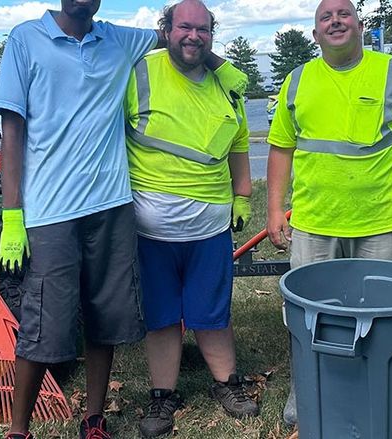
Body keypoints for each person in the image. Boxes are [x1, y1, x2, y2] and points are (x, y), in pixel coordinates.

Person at [0, 1, 244, 438]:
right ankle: (19, 429)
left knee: (103, 318)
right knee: (44, 325)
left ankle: (94, 419)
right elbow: (11, 129)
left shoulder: (117, 39)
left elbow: (182, 38)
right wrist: (12, 215)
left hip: (111, 206)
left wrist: (225, 69)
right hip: (51, 211)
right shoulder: (25, 39)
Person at [265, 0, 392, 426]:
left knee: (378, 317)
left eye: (343, 14)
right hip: (313, 222)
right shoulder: (298, 80)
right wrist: (273, 208)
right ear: (315, 34)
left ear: (361, 26)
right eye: (325, 17)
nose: (335, 21)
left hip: (378, 222)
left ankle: (371, 384)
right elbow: (280, 148)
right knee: (307, 316)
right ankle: (304, 388)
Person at [123, 1, 258, 437]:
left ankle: (227, 384)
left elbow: (238, 140)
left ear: (211, 35)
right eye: (184, 27)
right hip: (150, 231)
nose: (193, 36)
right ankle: (162, 396)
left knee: (213, 312)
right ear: (166, 30)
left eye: (203, 29)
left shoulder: (226, 85)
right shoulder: (139, 73)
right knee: (161, 317)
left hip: (209, 228)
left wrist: (242, 195)